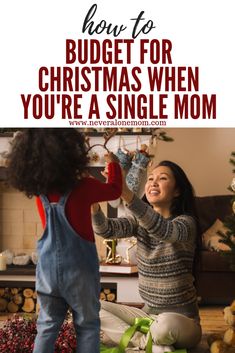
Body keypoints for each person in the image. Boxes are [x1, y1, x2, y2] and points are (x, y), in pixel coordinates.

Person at [6, 128, 122, 353]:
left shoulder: (41, 193)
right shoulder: (85, 187)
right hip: (80, 272)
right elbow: (115, 191)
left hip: (47, 272)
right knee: (87, 325)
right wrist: (113, 164)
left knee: (47, 325)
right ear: (72, 153)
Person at [91, 160, 202, 352]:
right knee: (88, 306)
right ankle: (145, 343)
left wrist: (125, 192)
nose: (153, 182)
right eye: (150, 178)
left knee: (164, 327)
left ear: (177, 191)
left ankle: (140, 340)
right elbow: (106, 229)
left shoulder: (186, 224)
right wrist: (92, 204)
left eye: (163, 178)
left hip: (181, 321)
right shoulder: (138, 221)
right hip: (147, 316)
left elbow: (164, 231)